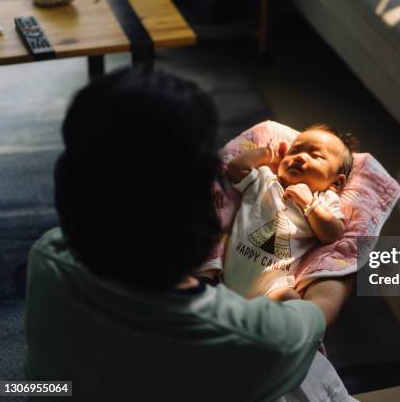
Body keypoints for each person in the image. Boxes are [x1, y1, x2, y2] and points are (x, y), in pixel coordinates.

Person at [24, 67, 351, 400]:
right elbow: (313, 318)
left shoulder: (47, 257)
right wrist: (339, 275)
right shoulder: (258, 337)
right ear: (205, 215)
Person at [218, 125, 358, 299]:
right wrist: (268, 153)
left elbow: (334, 234)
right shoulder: (265, 179)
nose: (300, 156)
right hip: (226, 272)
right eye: (294, 151)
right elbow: (236, 168)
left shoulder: (324, 201)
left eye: (315, 156)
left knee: (291, 300)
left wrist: (310, 204)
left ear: (336, 183)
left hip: (272, 288)